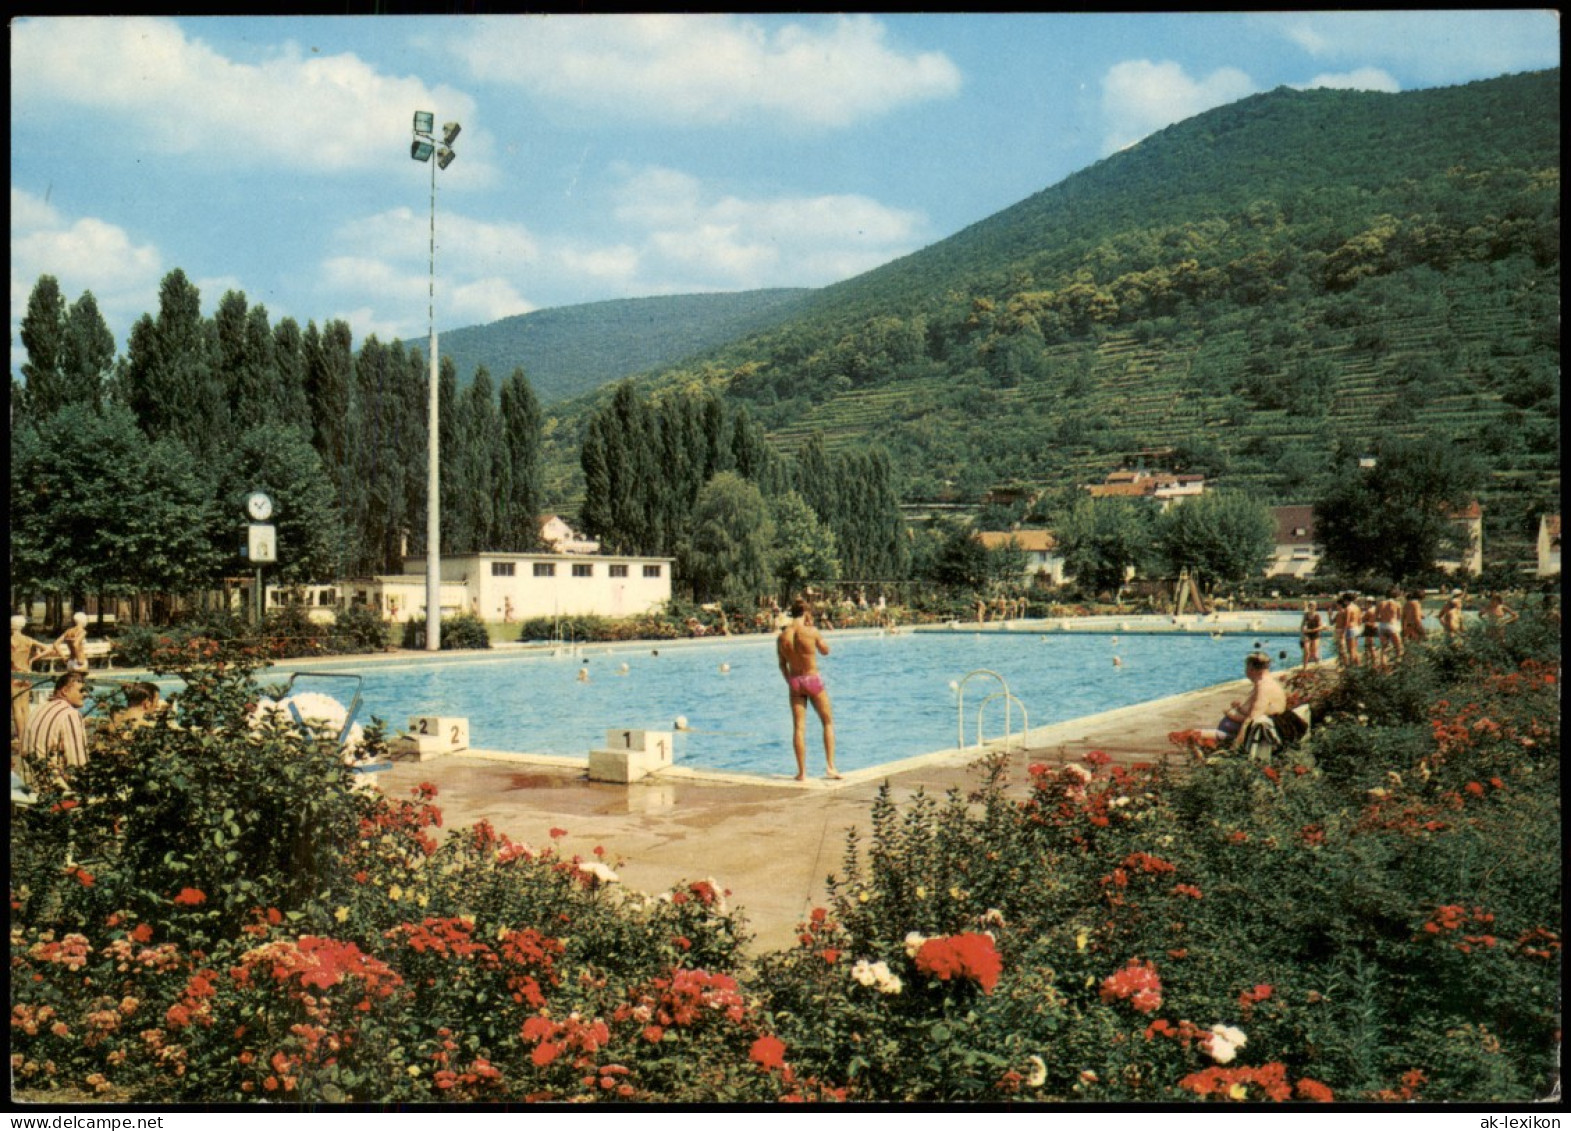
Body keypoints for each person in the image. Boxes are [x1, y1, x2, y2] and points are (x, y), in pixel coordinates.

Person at [776, 597, 839, 781]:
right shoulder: (811, 632)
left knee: (799, 728)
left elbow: (782, 665)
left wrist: (790, 681)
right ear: (806, 613)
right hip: (812, 679)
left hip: (795, 681)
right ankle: (830, 767)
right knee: (827, 721)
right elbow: (825, 651)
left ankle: (802, 772)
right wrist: (815, 631)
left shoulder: (781, 637)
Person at [19, 671, 90, 787]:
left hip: (29, 783)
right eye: (81, 691)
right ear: (65, 691)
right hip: (53, 788)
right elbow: (78, 764)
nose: (86, 694)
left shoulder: (39, 709)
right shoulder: (70, 714)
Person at [1207, 652, 1287, 745]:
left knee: (1192, 734)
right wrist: (1239, 709)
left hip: (1236, 737)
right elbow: (1260, 711)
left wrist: (1236, 747)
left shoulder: (1264, 688)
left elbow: (1250, 721)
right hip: (1236, 732)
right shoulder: (1265, 683)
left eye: (1246, 667)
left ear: (1251, 669)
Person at [11, 615, 58, 744]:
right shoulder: (28, 640)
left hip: (14, 674)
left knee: (16, 706)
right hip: (27, 673)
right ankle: (27, 735)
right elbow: (49, 648)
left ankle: (20, 737)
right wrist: (33, 659)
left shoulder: (11, 640)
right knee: (25, 706)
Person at [1373, 588, 1403, 670]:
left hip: (1382, 626)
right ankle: (1398, 667)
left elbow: (1375, 617)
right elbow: (1399, 617)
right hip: (1392, 625)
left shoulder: (1380, 604)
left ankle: (1385, 669)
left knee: (1384, 649)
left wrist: (1382, 618)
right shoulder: (1397, 603)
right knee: (1398, 648)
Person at [1299, 601, 1324, 667]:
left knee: (1314, 654)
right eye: (1310, 606)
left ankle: (1318, 666)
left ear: (1315, 607)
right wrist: (1303, 631)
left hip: (1315, 634)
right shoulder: (1306, 615)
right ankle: (1305, 668)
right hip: (1307, 634)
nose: (1311, 607)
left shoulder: (1317, 615)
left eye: (1313, 606)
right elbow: (1302, 624)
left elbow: (1321, 627)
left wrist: (1312, 630)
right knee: (1306, 651)